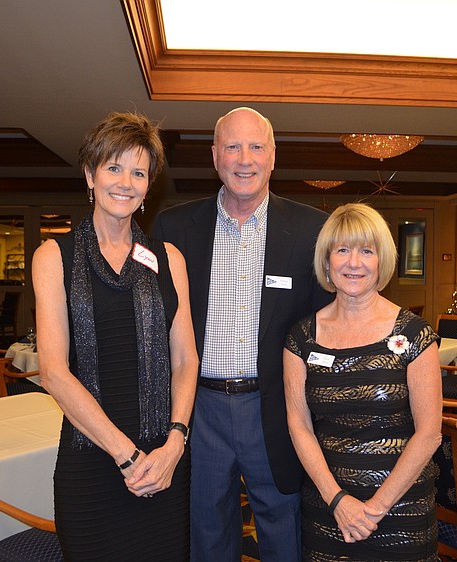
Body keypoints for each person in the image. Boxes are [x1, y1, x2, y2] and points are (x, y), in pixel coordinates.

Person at [153, 107, 332, 561]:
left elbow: (324, 326)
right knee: (206, 530)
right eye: (232, 146)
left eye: (256, 146)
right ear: (215, 156)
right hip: (200, 408)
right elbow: (154, 323)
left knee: (282, 525)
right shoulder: (173, 229)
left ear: (273, 156)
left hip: (275, 407)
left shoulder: (311, 230)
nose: (244, 158)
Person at [32, 111, 198, 560]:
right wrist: (126, 455)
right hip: (93, 463)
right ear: (90, 175)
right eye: (114, 167)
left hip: (166, 462)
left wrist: (175, 443)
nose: (126, 181)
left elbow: (186, 360)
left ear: (149, 186)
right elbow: (53, 372)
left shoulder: (170, 258)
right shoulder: (53, 257)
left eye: (139, 172)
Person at [283, 203, 442, 561]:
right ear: (326, 262)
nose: (354, 263)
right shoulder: (301, 338)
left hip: (401, 511)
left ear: (381, 262)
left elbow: (430, 433)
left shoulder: (415, 335)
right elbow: (299, 426)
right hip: (328, 510)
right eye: (342, 250)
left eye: (366, 251)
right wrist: (338, 501)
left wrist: (374, 508)